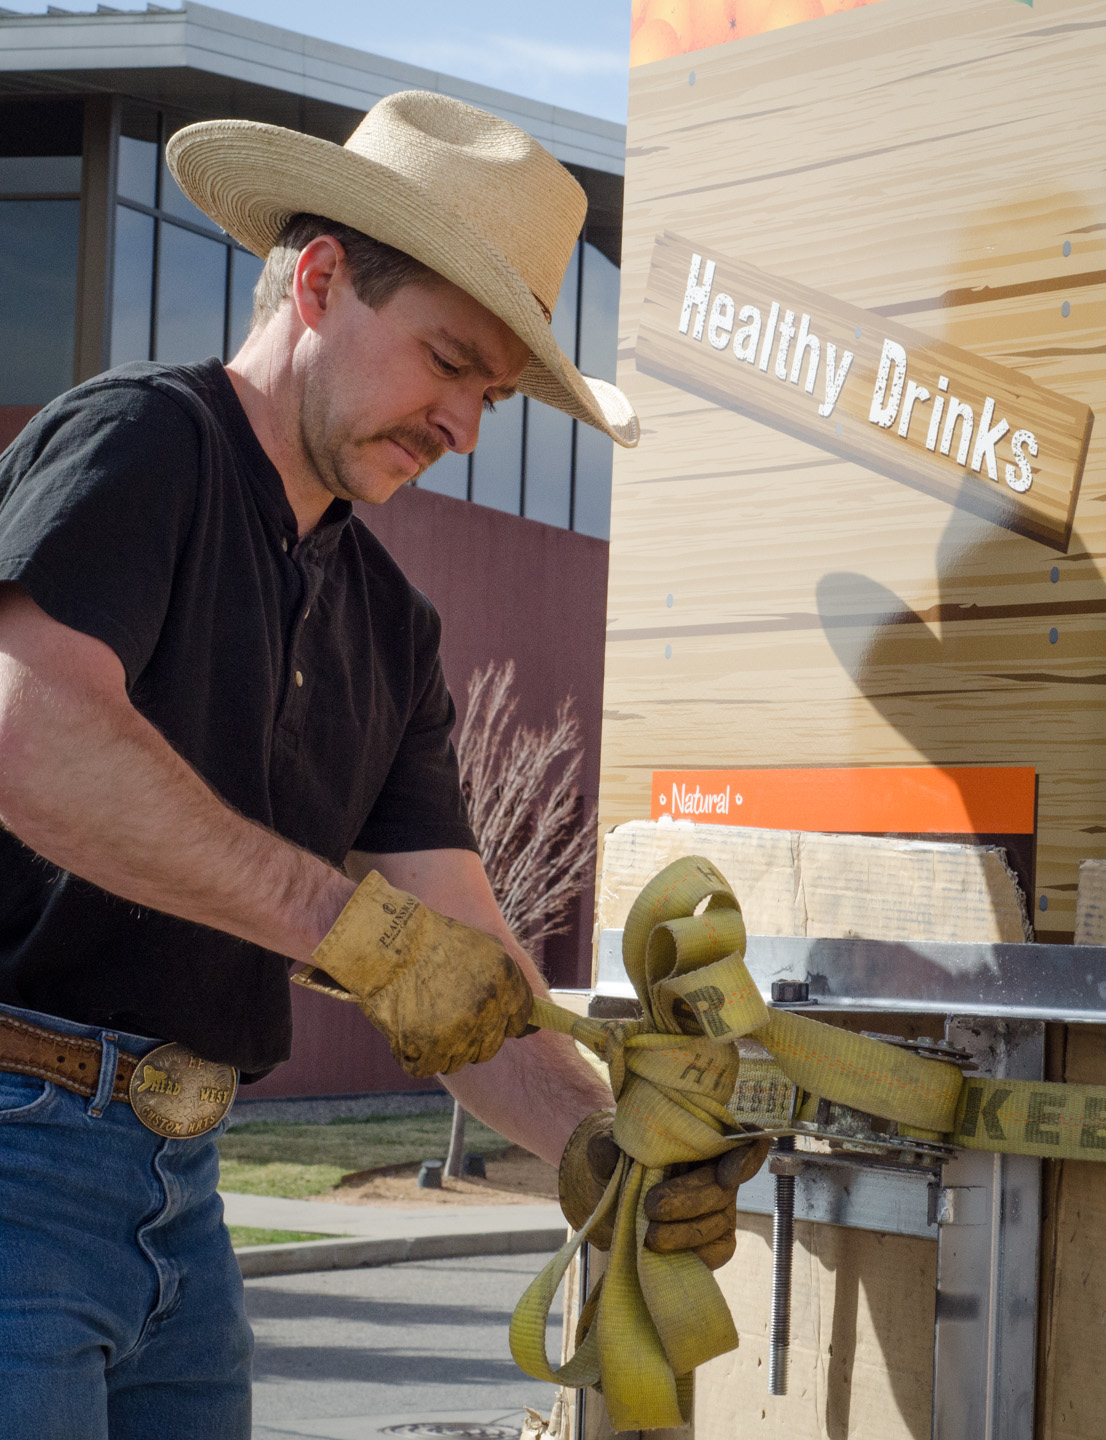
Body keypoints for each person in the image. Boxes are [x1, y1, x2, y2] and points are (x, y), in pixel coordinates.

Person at [0, 91, 761, 1438]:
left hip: (183, 1193)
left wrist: (595, 1148)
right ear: (319, 278)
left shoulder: (390, 628)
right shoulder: (143, 443)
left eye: (493, 393)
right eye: (448, 361)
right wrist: (348, 928)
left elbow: (461, 972)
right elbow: (26, 736)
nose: (464, 425)